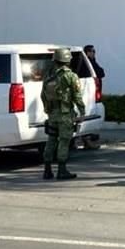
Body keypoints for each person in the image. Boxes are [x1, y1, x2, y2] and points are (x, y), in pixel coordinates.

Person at [41, 48, 86, 181]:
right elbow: (77, 96)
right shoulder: (70, 76)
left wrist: (48, 109)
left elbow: (43, 95)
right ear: (67, 60)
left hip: (52, 114)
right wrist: (82, 111)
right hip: (65, 114)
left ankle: (47, 170)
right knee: (64, 141)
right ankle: (62, 170)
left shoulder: (49, 75)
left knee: (51, 140)